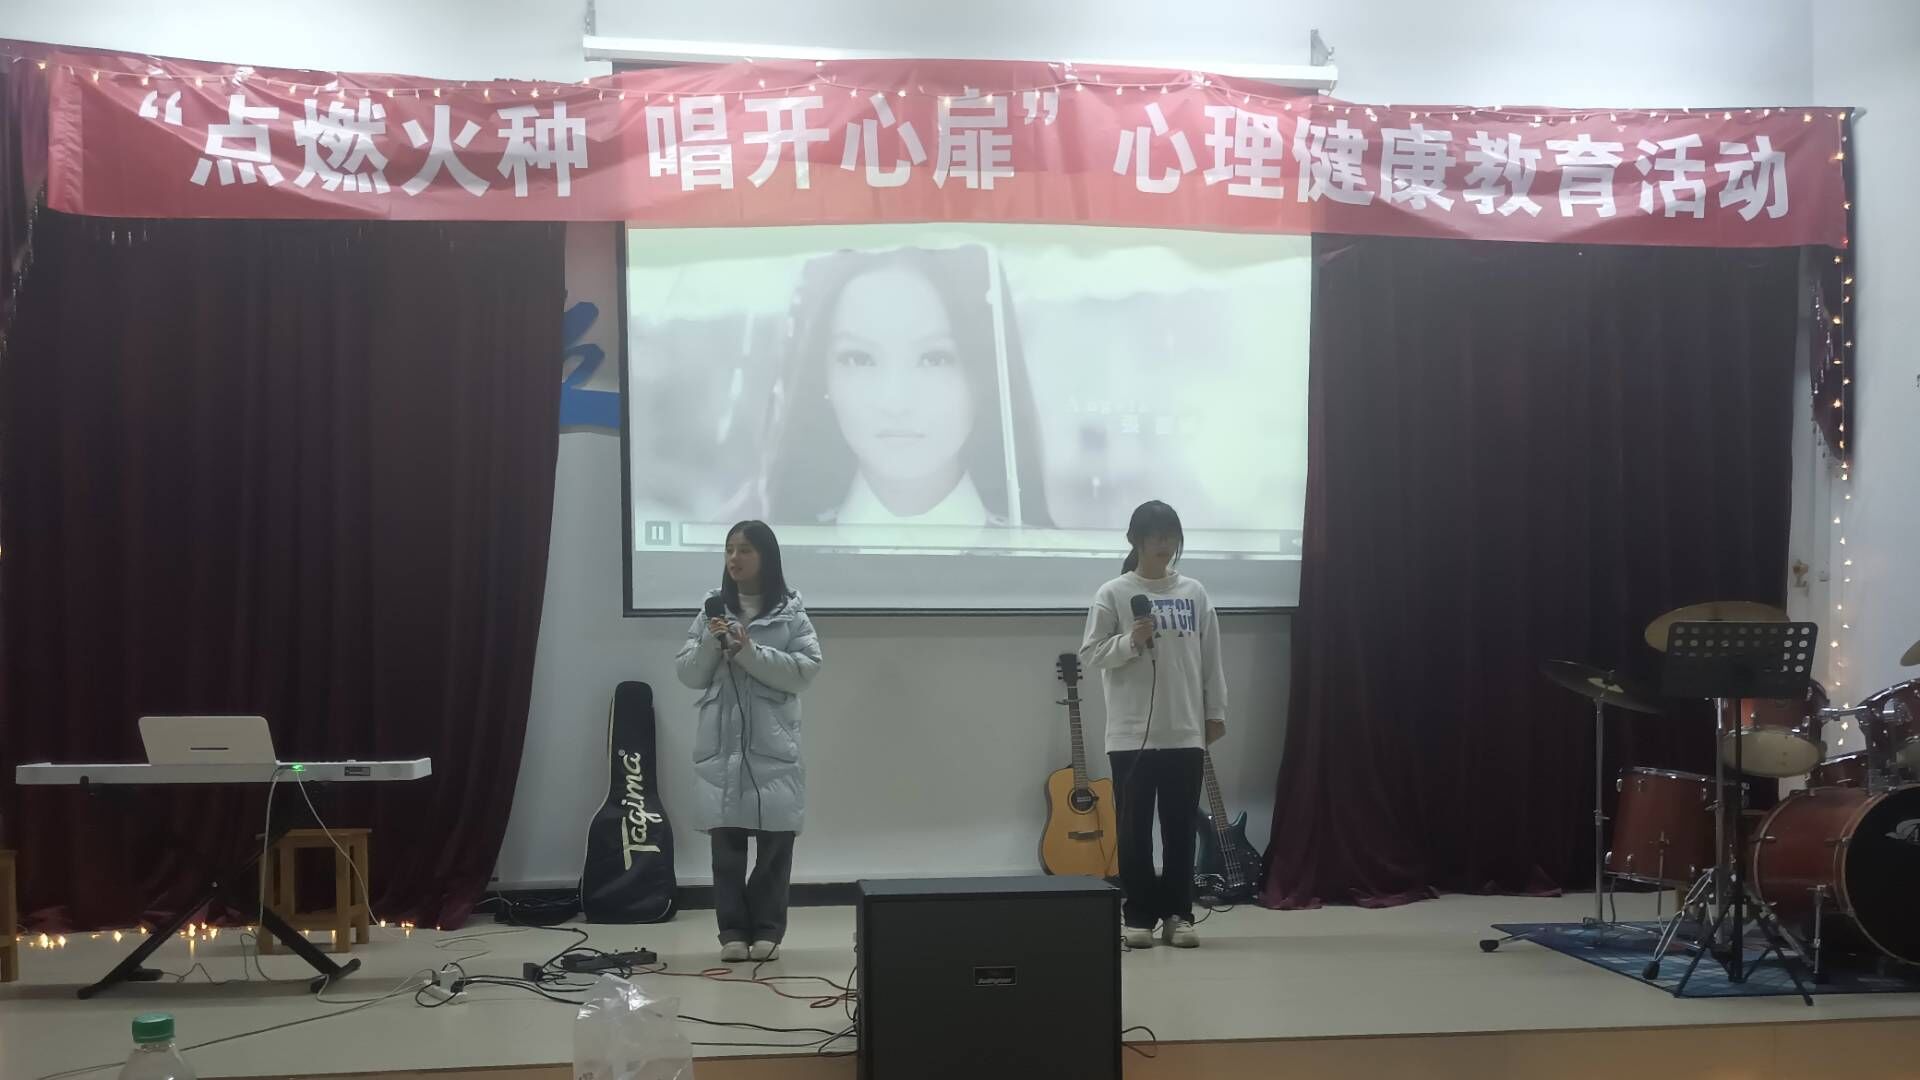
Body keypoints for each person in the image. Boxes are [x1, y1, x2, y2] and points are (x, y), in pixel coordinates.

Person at [758, 245, 1054, 530]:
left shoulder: (1047, 560)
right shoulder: (772, 557)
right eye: (859, 359)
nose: (895, 402)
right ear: (822, 379)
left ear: (985, 374)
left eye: (935, 359)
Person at [1078, 500, 1227, 949]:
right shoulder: (1114, 592)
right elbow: (1091, 654)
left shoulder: (1194, 592)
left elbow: (1211, 658)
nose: (1164, 544)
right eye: (1155, 536)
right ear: (1136, 540)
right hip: (1131, 735)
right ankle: (1139, 916)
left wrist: (1215, 713)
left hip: (1184, 730)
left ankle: (1179, 915)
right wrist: (1130, 641)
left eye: (1171, 536)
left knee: (1180, 829)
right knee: (1134, 832)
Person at [674, 521, 823, 962]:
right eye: (729, 550)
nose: (734, 559)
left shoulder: (791, 613)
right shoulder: (711, 611)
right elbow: (688, 673)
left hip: (773, 747)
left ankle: (768, 930)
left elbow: (805, 671)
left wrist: (751, 652)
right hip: (722, 748)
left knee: (775, 845)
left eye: (745, 550)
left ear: (766, 557)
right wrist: (712, 642)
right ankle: (733, 932)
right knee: (726, 848)